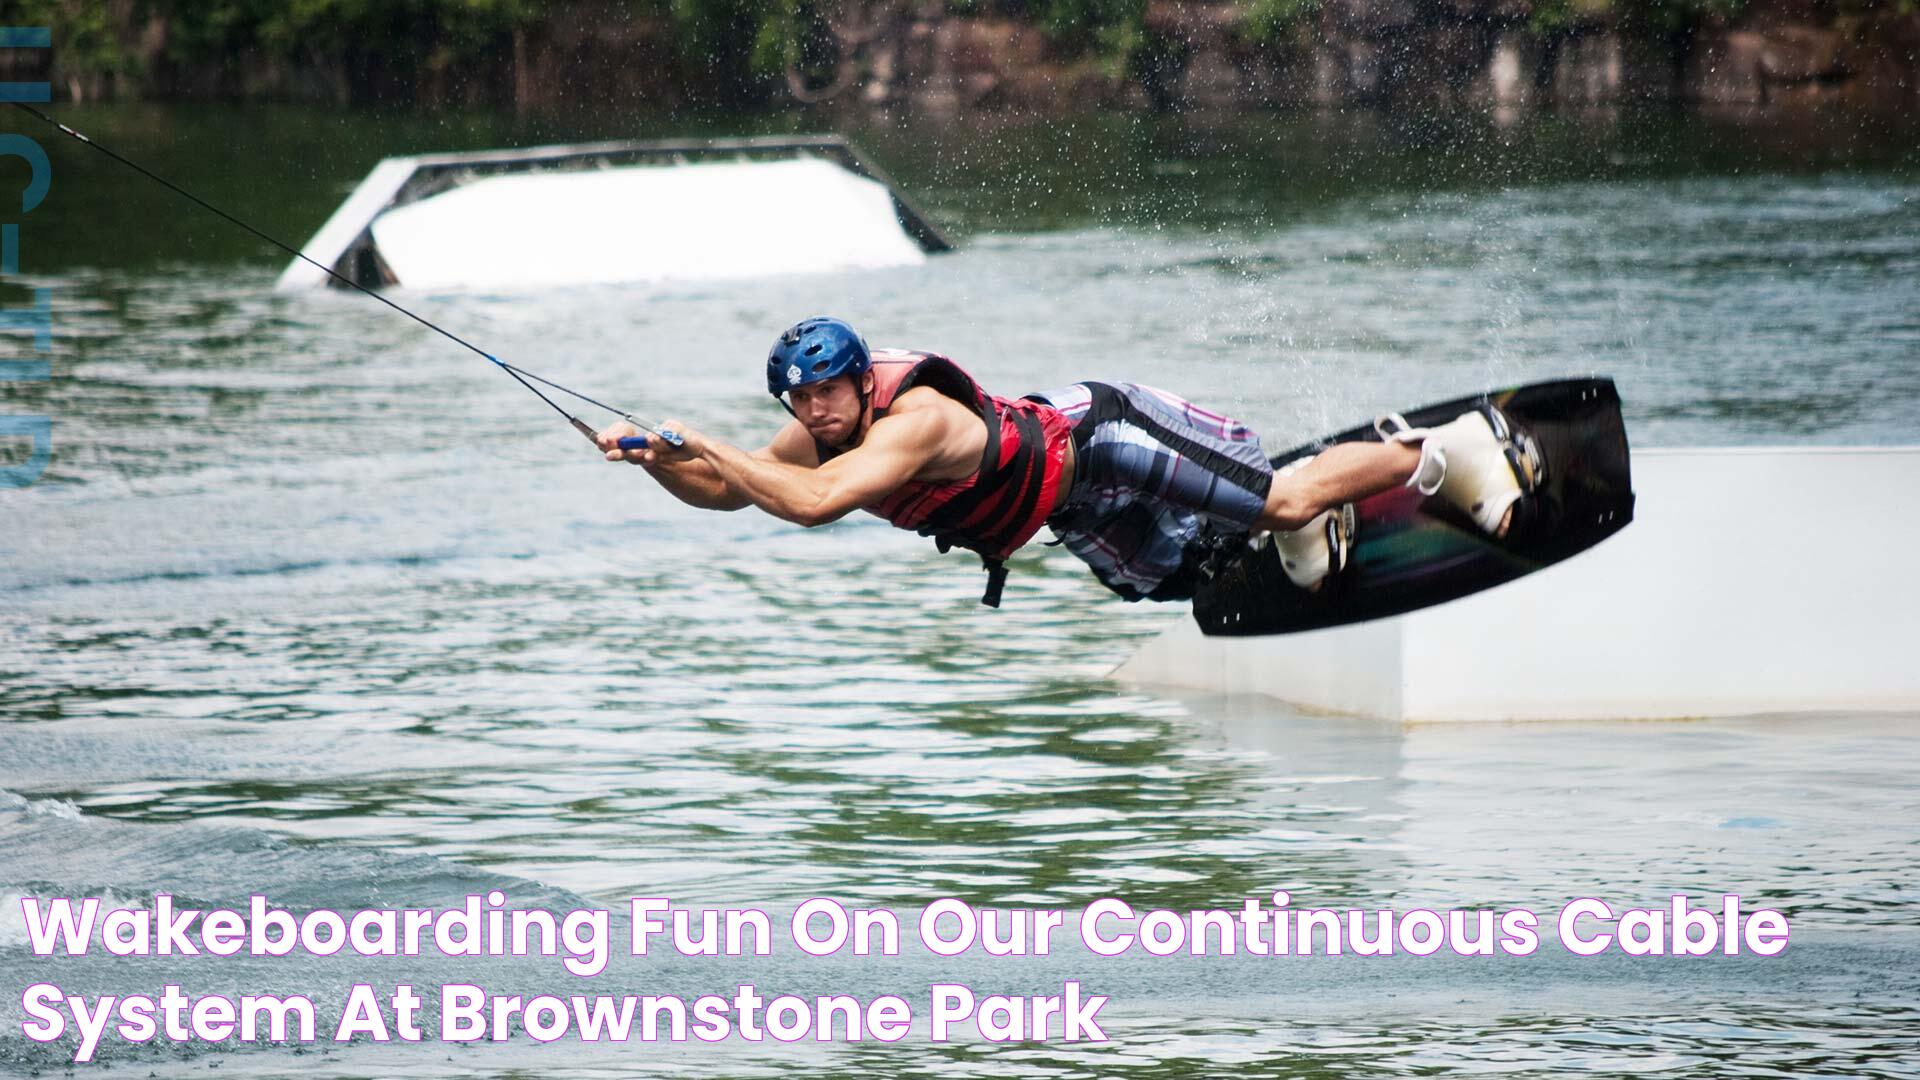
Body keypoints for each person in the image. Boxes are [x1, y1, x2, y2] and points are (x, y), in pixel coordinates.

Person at [596, 316, 1543, 606]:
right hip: (1062, 506)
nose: (812, 413)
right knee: (1174, 581)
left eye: (826, 395)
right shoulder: (823, 430)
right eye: (798, 403)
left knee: (1281, 500)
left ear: (856, 381)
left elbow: (810, 505)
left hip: (1104, 440)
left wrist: (706, 436)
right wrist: (654, 458)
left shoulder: (912, 419)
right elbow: (734, 497)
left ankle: (1441, 451)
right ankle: (1323, 520)